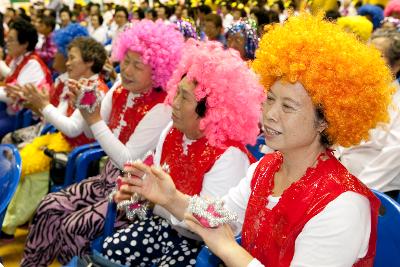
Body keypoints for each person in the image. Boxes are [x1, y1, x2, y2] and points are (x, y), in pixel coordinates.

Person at [123, 14, 393, 266]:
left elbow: (224, 236)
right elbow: (219, 214)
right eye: (271, 99)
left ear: (325, 121)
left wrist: (229, 249)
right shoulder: (265, 170)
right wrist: (171, 198)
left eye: (288, 106)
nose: (270, 114)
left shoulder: (342, 206)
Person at [21, 19, 184, 266]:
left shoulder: (162, 108)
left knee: (72, 227)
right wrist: (84, 108)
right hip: (105, 178)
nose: (126, 70)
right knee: (48, 205)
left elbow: (128, 159)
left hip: (132, 193)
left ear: (158, 70)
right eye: (125, 61)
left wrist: (94, 117)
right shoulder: (119, 87)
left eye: (137, 65)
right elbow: (85, 128)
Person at [102, 39, 264, 266]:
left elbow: (207, 227)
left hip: (202, 246)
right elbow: (157, 190)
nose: (174, 103)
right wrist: (139, 196)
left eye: (185, 98)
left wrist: (158, 202)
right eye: (177, 92)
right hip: (163, 226)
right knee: (111, 251)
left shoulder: (229, 156)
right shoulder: (172, 130)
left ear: (211, 109)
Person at [0, 36, 108, 243]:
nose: (67, 62)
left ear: (89, 62)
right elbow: (60, 119)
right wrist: (41, 104)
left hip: (76, 150)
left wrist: (43, 105)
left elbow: (73, 129)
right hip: (60, 139)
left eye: (72, 58)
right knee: (22, 160)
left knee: (34, 175)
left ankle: (9, 225)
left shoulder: (95, 90)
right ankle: (11, 217)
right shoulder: (76, 83)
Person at [337, 28, 400, 200]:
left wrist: (360, 190)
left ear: (396, 64)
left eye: (379, 56)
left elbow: (393, 155)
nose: (370, 60)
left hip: (376, 189)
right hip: (339, 180)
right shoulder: (359, 90)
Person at [0, 18, 52, 138]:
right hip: (12, 111)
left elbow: (13, 96)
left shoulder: (33, 64)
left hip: (24, 118)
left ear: (25, 44)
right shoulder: (20, 58)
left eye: (11, 40)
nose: (7, 41)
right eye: (7, 37)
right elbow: (11, 77)